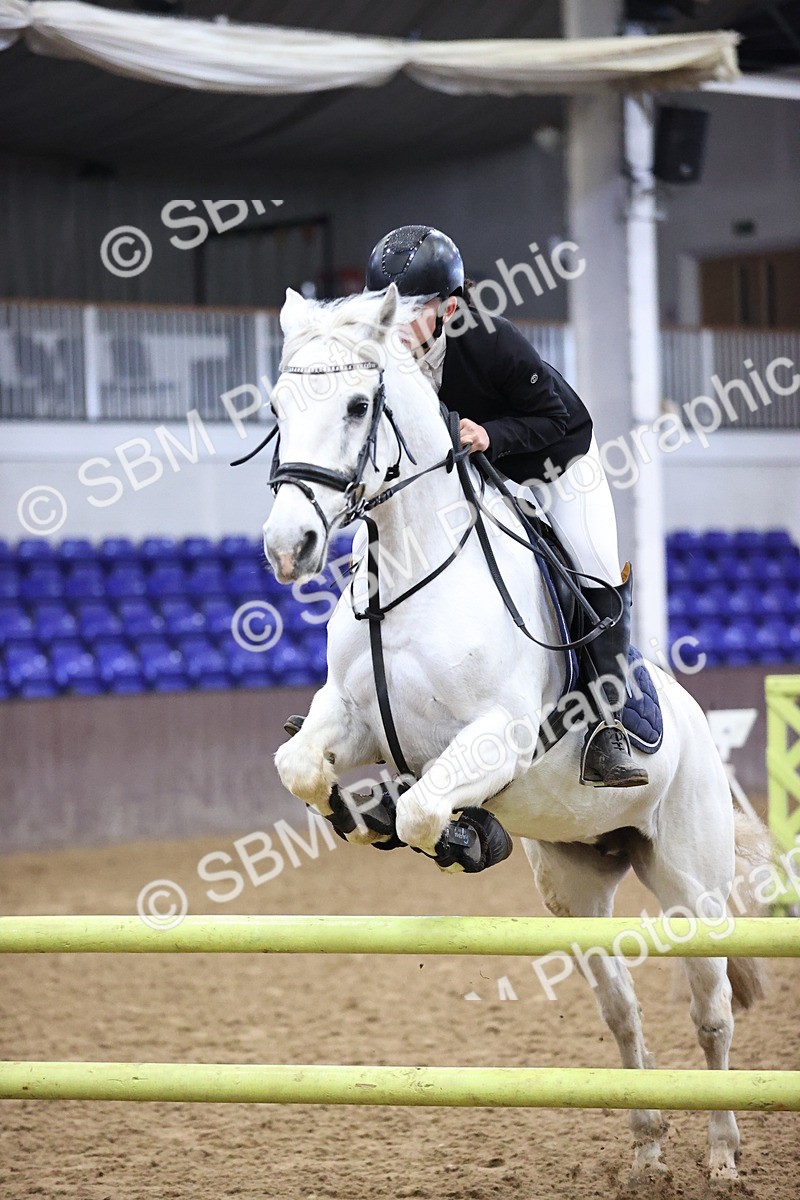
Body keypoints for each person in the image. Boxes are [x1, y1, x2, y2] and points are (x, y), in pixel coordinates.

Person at [364, 224, 648, 789]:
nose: (391, 324)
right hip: (478, 472)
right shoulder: (381, 357)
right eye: (384, 307)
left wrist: (491, 435)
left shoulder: (490, 338)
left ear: (448, 309)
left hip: (556, 461)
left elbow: (556, 418)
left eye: (409, 311)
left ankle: (609, 726)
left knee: (592, 569)